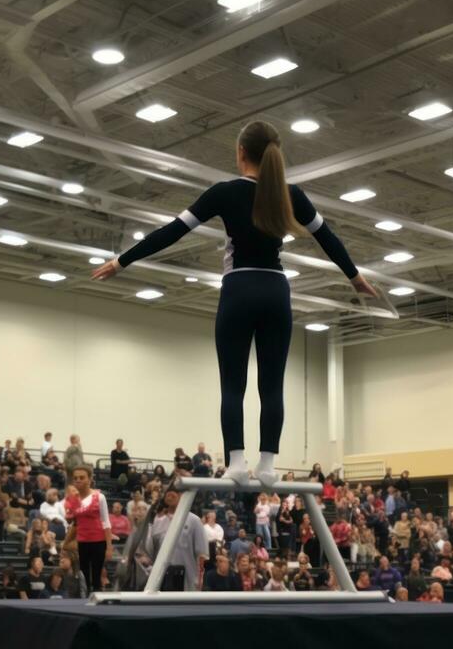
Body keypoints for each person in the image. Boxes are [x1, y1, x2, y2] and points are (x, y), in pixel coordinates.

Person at [93, 120, 374, 487]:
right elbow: (329, 239)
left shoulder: (224, 193)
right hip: (275, 290)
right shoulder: (291, 195)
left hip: (239, 288)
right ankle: (269, 464)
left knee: (233, 385)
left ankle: (237, 461)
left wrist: (122, 261)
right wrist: (354, 277)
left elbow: (172, 231)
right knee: (272, 386)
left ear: (241, 152)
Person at [64, 465, 113, 592]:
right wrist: (69, 513)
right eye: (75, 478)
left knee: (96, 575)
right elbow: (71, 520)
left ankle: (97, 603)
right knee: (84, 574)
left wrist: (109, 547)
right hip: (82, 540)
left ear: (89, 479)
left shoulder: (99, 497)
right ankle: (85, 600)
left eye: (82, 477)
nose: (78, 480)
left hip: (98, 540)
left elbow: (106, 522)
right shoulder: (73, 498)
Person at [150, 488, 208, 591]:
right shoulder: (158, 520)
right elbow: (154, 550)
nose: (170, 494)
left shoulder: (194, 520)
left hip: (187, 576)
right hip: (161, 577)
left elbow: (202, 555)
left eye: (176, 492)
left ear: (182, 496)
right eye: (168, 492)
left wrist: (200, 578)